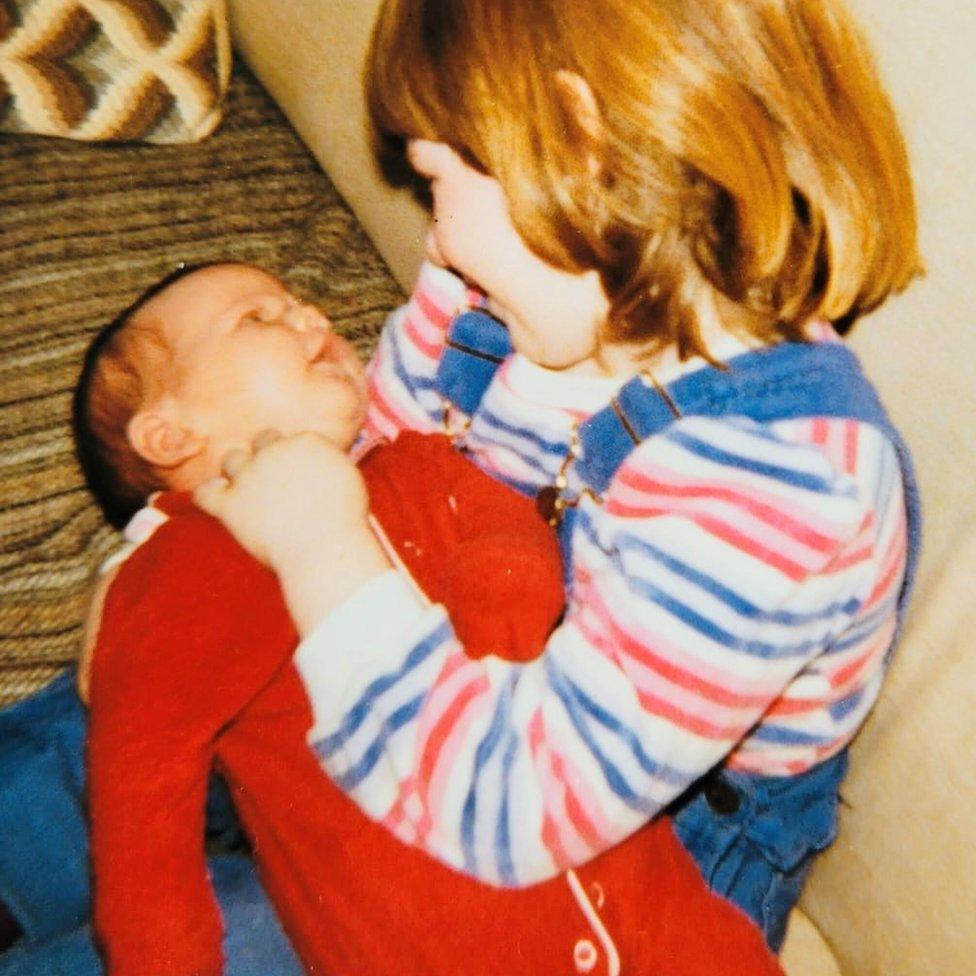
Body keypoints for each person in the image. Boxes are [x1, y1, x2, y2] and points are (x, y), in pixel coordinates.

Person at [196, 0, 922, 955]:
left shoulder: (778, 486)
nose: (438, 239)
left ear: (575, 146)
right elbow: (370, 453)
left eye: (435, 177)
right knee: (91, 745)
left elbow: (512, 807)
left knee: (216, 937)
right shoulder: (486, 294)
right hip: (448, 669)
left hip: (617, 861)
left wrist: (318, 544)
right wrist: (178, 559)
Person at [0, 262, 785, 975]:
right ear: (170, 435)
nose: (311, 315)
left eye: (303, 300)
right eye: (258, 317)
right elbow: (141, 810)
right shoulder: (194, 561)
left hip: (642, 902)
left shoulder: (416, 459)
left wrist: (502, 596)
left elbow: (511, 539)